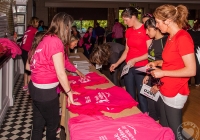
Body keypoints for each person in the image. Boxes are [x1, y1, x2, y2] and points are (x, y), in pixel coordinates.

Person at [28, 12, 80, 140]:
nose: (70, 30)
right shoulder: (56, 41)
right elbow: (60, 72)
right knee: (52, 125)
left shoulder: (46, 37)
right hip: (45, 90)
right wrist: (69, 92)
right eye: (69, 27)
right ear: (64, 27)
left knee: (38, 125)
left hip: (35, 87)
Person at [149, 4, 196, 138]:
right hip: (166, 87)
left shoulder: (183, 38)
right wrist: (159, 63)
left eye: (158, 22)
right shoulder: (170, 37)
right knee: (165, 126)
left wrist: (163, 72)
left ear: (168, 21)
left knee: (176, 132)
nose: (156, 26)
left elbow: (191, 70)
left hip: (176, 91)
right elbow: (174, 61)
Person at [110, 7, 152, 113]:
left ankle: (145, 116)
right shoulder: (128, 31)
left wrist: (135, 59)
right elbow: (126, 50)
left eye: (126, 20)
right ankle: (134, 115)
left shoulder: (146, 30)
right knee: (130, 94)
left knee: (142, 95)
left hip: (142, 67)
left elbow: (150, 54)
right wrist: (117, 63)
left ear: (133, 17)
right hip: (129, 67)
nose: (124, 22)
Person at [142, 17, 167, 121]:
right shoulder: (152, 41)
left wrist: (160, 84)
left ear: (156, 28)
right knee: (151, 107)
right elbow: (150, 60)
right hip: (151, 78)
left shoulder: (164, 42)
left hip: (160, 81)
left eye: (148, 29)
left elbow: (168, 66)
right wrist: (147, 75)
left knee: (160, 110)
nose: (146, 33)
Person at [21, 17, 39, 92]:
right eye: (37, 22)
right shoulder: (34, 30)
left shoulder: (28, 29)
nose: (38, 23)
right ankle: (29, 87)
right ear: (34, 22)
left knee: (26, 68)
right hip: (27, 50)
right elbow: (39, 38)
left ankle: (25, 85)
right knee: (29, 69)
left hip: (23, 49)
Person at [187, 19, 200, 86]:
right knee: (196, 66)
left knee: (192, 65)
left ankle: (191, 82)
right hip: (196, 50)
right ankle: (197, 82)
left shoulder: (189, 32)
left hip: (193, 49)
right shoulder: (190, 32)